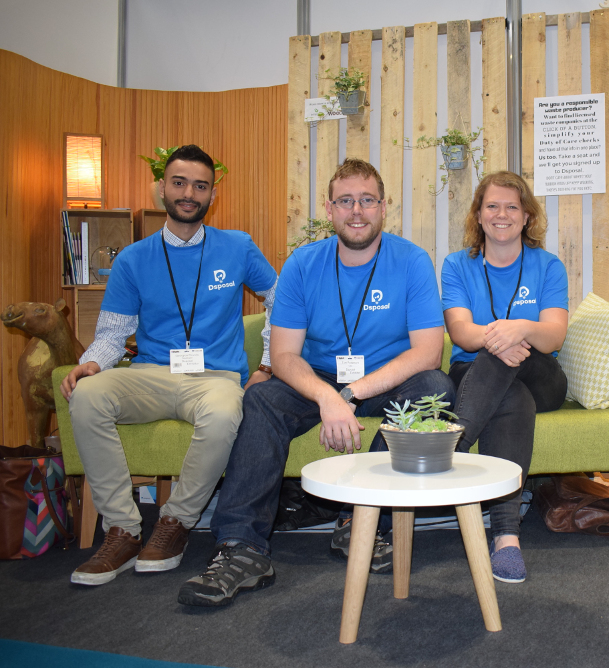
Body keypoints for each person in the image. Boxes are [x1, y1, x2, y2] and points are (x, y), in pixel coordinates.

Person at [178, 158, 454, 607]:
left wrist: (351, 395)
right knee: (263, 398)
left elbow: (427, 353)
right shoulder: (303, 264)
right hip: (320, 375)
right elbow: (284, 356)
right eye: (345, 201)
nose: (357, 210)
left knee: (436, 387)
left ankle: (360, 523)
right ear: (329, 209)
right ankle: (242, 549)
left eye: (367, 200)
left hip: (389, 378)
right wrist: (328, 396)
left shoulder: (412, 261)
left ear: (384, 208)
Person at [60, 145, 278, 586]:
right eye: (179, 182)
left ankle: (175, 523)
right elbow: (111, 333)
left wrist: (269, 364)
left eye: (200, 186)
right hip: (150, 375)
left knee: (223, 414)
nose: (189, 193)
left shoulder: (237, 246)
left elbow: (282, 303)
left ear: (212, 195)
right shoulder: (133, 259)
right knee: (86, 396)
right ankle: (121, 529)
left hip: (214, 378)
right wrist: (90, 364)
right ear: (162, 187)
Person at [441, 171, 568, 583]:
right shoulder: (458, 265)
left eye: (512, 206)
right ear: (478, 215)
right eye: (491, 206)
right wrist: (500, 338)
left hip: (540, 372)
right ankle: (507, 539)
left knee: (512, 366)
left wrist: (519, 329)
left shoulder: (548, 266)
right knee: (513, 399)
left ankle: (446, 448)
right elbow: (460, 333)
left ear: (527, 216)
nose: (501, 214)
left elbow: (552, 336)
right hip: (476, 370)